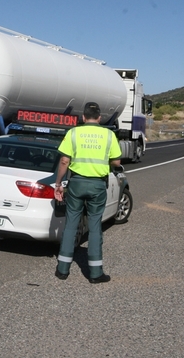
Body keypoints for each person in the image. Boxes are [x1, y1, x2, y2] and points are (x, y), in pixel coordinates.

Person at [53, 102, 122, 284]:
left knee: (71, 225)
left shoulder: (74, 133)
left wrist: (58, 183)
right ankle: (95, 273)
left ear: (83, 117)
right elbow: (116, 162)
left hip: (76, 183)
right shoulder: (108, 135)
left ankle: (62, 270)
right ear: (99, 118)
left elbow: (64, 161)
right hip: (97, 185)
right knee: (94, 226)